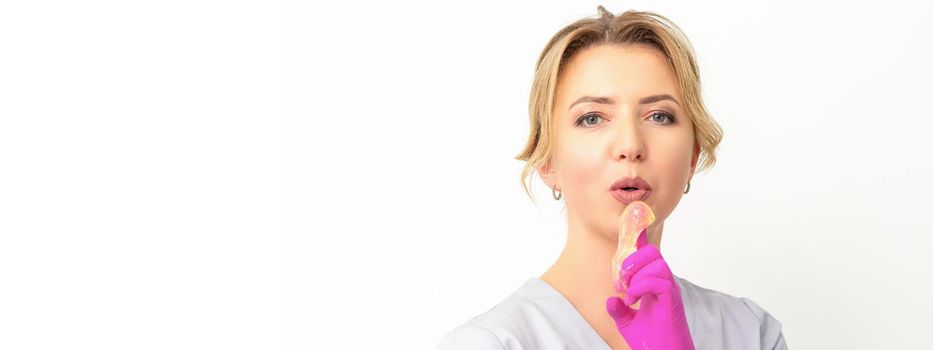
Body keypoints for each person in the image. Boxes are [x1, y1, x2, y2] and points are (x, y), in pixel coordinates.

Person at [437, 6, 788, 350]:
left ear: (693, 156)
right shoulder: (490, 343)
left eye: (659, 116)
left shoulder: (750, 333)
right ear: (547, 161)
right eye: (592, 118)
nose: (631, 145)